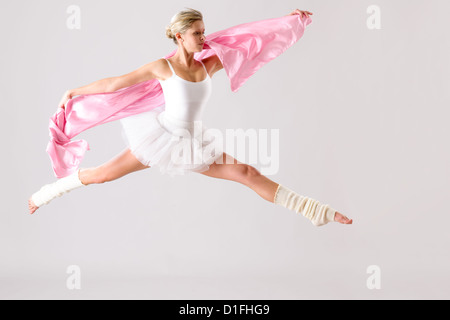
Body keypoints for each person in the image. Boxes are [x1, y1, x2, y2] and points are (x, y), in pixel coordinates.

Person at [28, 8, 353, 227]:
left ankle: (317, 211)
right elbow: (114, 83)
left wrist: (289, 22)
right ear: (180, 36)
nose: (203, 38)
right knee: (101, 175)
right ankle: (43, 194)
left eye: (204, 32)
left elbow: (251, 41)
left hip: (194, 141)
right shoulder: (162, 67)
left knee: (246, 171)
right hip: (161, 138)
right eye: (197, 33)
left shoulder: (208, 64)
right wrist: (73, 92)